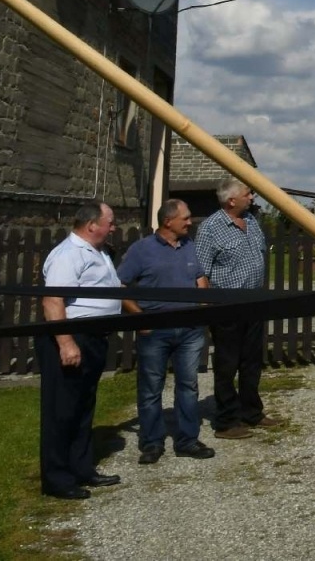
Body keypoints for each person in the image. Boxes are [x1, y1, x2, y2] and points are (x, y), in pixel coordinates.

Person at [119, 198, 216, 463]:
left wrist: (203, 308)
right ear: (168, 221)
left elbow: (199, 277)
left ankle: (188, 440)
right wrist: (140, 318)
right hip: (155, 330)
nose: (189, 222)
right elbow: (121, 285)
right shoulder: (141, 250)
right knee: (151, 388)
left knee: (188, 385)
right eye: (185, 218)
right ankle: (151, 443)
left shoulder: (189, 246)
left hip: (189, 330)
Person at [38, 201, 124, 500]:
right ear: (91, 225)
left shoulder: (97, 252)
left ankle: (82, 468)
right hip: (72, 337)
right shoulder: (69, 254)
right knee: (62, 410)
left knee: (83, 407)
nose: (113, 227)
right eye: (110, 222)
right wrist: (66, 343)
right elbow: (53, 301)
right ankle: (57, 479)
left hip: (93, 338)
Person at [195, 177, 280, 439]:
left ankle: (251, 412)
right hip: (227, 305)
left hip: (253, 302)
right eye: (248, 193)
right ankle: (226, 421)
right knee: (227, 363)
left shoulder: (252, 222)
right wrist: (208, 306)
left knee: (252, 361)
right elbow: (201, 272)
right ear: (231, 200)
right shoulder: (211, 228)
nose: (252, 197)